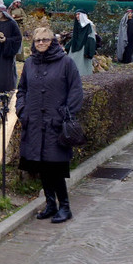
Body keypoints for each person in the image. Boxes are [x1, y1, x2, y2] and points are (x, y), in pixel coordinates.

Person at [16, 26, 83, 224]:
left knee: (55, 167)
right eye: (38, 40)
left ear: (52, 41)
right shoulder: (29, 63)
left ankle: (64, 207)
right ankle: (50, 204)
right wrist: (22, 110)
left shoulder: (66, 63)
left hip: (55, 124)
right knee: (42, 166)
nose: (42, 43)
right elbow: (22, 89)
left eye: (45, 40)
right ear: (33, 43)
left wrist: (64, 114)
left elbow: (76, 91)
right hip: (35, 123)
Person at [0, 6, 22, 95]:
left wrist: (6, 40)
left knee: (6, 74)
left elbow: (18, 38)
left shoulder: (11, 24)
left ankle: (6, 94)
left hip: (6, 53)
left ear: (4, 13)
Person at [65, 10, 97, 76]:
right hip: (74, 47)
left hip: (84, 48)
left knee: (83, 65)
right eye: (76, 14)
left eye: (79, 14)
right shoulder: (77, 25)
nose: (77, 16)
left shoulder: (89, 25)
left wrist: (89, 50)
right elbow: (74, 37)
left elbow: (91, 38)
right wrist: (68, 46)